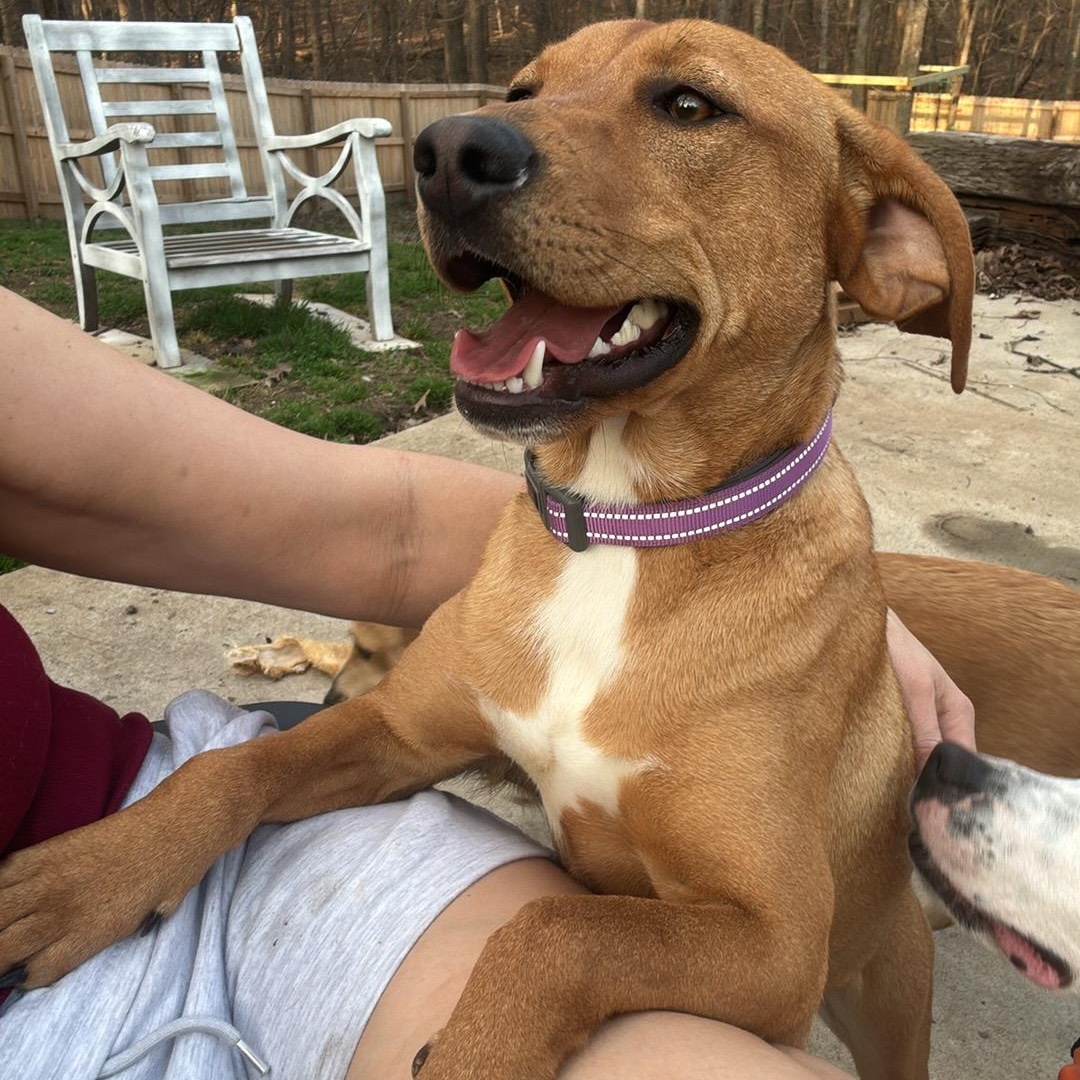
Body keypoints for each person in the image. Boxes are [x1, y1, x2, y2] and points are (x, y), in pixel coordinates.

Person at [0, 286, 974, 1080]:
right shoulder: (528, 569)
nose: (471, 153)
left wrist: (827, 585)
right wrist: (207, 804)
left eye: (685, 109)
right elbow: (390, 730)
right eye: (528, 95)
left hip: (850, 930)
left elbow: (779, 966)